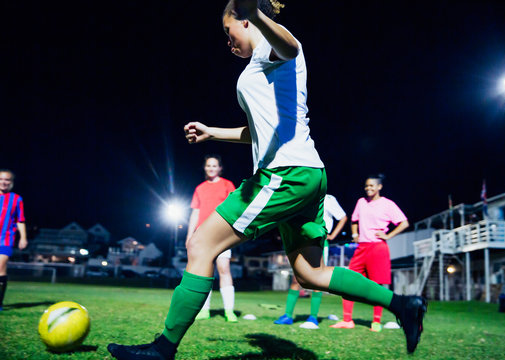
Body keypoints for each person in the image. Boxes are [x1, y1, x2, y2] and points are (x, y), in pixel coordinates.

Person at [107, 2, 426, 359]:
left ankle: (163, 349)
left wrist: (259, 16)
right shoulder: (265, 66)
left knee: (200, 245)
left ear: (247, 21)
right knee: (310, 274)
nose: (228, 44)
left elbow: (291, 46)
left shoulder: (271, 53)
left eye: (229, 33)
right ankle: (404, 304)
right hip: (307, 174)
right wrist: (213, 132)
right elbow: (259, 133)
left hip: (285, 175)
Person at [331, 174, 409, 332]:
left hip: (378, 248)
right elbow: (354, 220)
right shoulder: (361, 202)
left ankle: (376, 321)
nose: (368, 189)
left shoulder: (388, 204)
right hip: (361, 248)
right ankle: (347, 320)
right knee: (348, 282)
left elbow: (404, 223)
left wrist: (388, 236)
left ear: (379, 187)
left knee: (377, 286)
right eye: (366, 186)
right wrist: (354, 235)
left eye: (372, 186)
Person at [274, 194, 347, 329]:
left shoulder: (329, 199)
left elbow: (343, 217)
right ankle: (288, 316)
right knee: (296, 279)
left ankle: (313, 317)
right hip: (301, 242)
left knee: (316, 280)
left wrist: (332, 235)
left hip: (319, 243)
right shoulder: (302, 195)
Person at [187, 155, 238, 322]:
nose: (211, 168)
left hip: (222, 234)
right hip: (203, 235)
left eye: (214, 165)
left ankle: (229, 311)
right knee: (205, 271)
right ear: (205, 168)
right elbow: (195, 212)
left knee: (224, 269)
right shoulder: (200, 188)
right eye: (208, 165)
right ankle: (204, 310)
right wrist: (189, 236)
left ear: (220, 168)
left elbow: (234, 208)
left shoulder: (227, 185)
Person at [0, 169, 27, 311]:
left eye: (7, 180)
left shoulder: (16, 199)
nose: (4, 182)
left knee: (0, 268)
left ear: (11, 183)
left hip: (5, 238)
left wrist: (23, 237)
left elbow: (20, 220)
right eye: (1, 179)